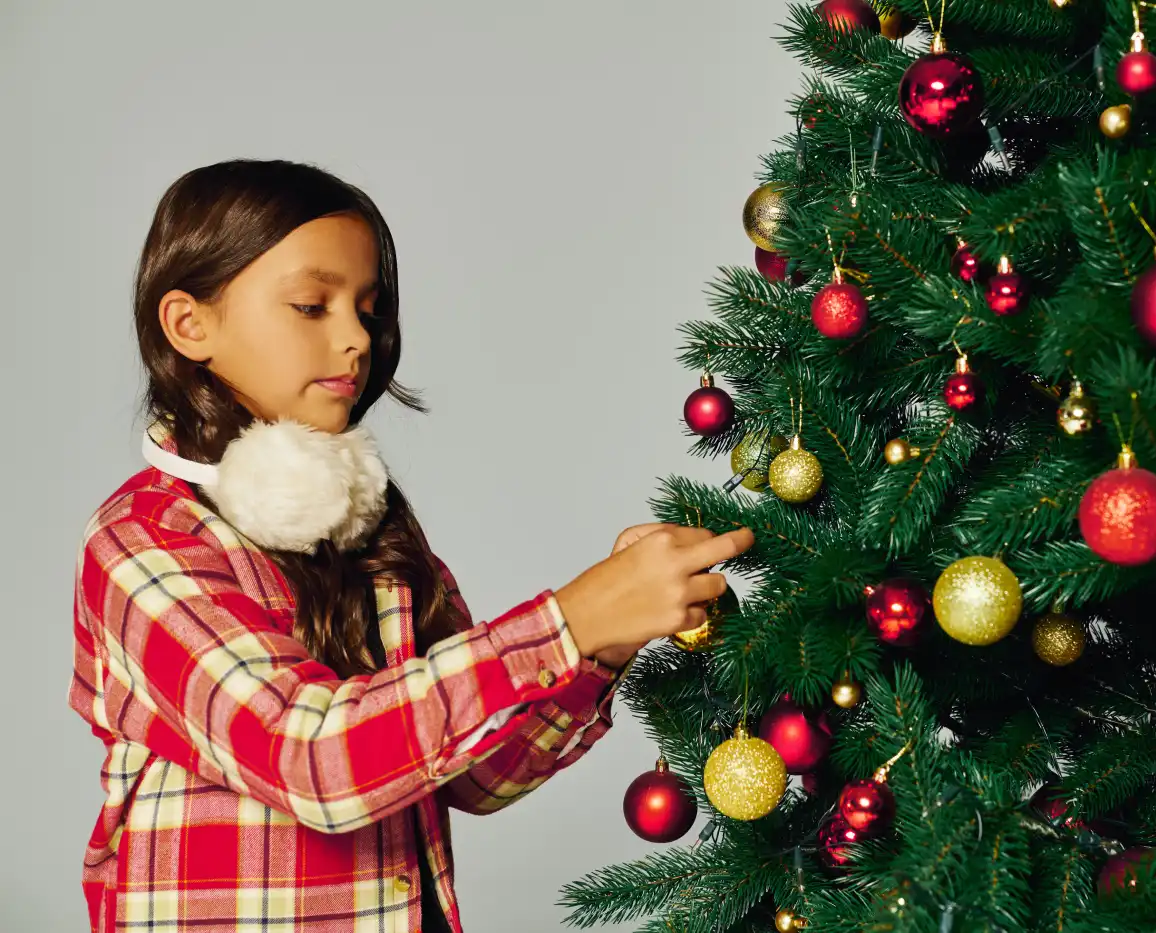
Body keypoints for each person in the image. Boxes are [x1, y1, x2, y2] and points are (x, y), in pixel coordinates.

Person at [67, 159, 755, 933]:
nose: (356, 338)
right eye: (310, 305)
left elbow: (482, 770)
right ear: (191, 324)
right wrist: (571, 620)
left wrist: (609, 632)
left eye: (365, 308)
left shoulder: (366, 514)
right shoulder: (141, 542)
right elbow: (313, 759)